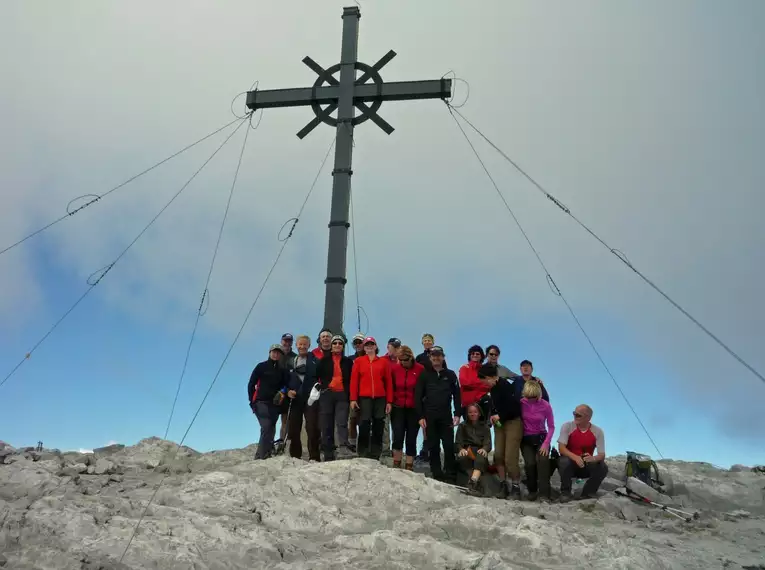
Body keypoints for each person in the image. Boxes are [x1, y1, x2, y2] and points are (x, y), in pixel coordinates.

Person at [414, 346, 461, 482]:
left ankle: (451, 474)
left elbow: (457, 395)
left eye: (439, 355)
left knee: (448, 445)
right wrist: (420, 416)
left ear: (443, 357)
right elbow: (417, 396)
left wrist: (457, 413)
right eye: (433, 356)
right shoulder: (424, 374)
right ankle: (437, 474)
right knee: (433, 445)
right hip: (429, 416)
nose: (436, 358)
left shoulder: (450, 374)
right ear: (430, 358)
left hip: (446, 415)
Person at [480, 363, 523, 498]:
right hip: (500, 425)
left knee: (510, 457)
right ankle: (503, 484)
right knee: (498, 456)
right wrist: (493, 416)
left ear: (492, 377)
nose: (485, 384)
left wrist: (501, 415)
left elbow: (515, 407)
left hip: (513, 422)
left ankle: (516, 487)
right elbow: (494, 406)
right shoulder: (492, 390)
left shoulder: (506, 386)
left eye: (485, 380)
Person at [350, 337, 393, 460]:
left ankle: (375, 454)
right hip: (364, 398)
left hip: (380, 398)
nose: (369, 346)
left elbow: (388, 382)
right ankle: (362, 452)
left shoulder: (383, 362)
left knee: (378, 425)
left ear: (375, 346)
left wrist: (389, 401)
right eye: (367, 344)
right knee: (364, 424)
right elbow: (354, 381)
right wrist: (353, 399)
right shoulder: (359, 361)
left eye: (371, 344)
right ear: (364, 347)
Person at [557, 404, 608, 502]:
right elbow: (561, 448)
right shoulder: (567, 426)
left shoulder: (598, 431)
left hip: (585, 464)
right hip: (570, 463)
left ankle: (588, 493)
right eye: (574, 413)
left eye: (578, 415)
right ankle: (565, 493)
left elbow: (602, 455)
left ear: (588, 418)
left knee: (603, 467)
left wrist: (592, 458)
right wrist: (575, 457)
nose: (575, 416)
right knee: (564, 461)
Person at [247, 344, 289, 460]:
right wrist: (252, 401)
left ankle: (266, 452)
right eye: (274, 352)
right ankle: (261, 456)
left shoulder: (282, 370)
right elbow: (251, 384)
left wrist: (283, 392)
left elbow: (286, 385)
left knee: (270, 427)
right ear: (269, 353)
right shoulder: (261, 366)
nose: (276, 354)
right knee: (266, 426)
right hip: (260, 402)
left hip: (275, 404)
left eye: (278, 352)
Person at [316, 334, 354, 460]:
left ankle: (343, 448)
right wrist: (321, 389)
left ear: (343, 346)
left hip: (343, 395)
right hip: (327, 394)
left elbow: (353, 380)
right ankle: (328, 452)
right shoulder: (323, 361)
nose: (337, 345)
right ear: (331, 346)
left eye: (340, 343)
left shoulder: (348, 362)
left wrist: (351, 395)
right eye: (335, 343)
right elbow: (315, 377)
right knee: (327, 423)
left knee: (342, 422)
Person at [286, 335, 321, 461]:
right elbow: (286, 380)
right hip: (295, 399)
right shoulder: (291, 361)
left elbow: (321, 379)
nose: (302, 347)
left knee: (312, 427)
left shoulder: (315, 361)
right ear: (296, 345)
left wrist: (317, 391)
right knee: (294, 427)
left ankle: (314, 456)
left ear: (309, 345)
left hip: (310, 399)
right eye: (300, 344)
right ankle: (295, 455)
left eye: (304, 344)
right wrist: (288, 391)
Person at [414, 333, 447, 464]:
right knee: (426, 426)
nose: (427, 342)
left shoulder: (439, 355)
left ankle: (435, 449)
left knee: (438, 425)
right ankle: (425, 450)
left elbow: (445, 371)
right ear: (422, 343)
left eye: (429, 340)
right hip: (424, 393)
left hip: (437, 394)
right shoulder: (419, 357)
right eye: (425, 341)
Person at [520, 380, 555, 501]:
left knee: (543, 461)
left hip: (541, 438)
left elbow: (551, 426)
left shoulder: (545, 405)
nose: (531, 399)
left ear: (538, 394)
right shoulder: (521, 403)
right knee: (530, 464)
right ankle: (532, 491)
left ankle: (545, 494)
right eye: (528, 397)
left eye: (534, 397)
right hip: (526, 439)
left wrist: (546, 444)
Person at [390, 344, 423, 470]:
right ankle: (396, 463)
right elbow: (391, 386)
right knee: (397, 435)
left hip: (414, 408)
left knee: (411, 437)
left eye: (405, 360)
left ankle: (409, 465)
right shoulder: (395, 369)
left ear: (411, 358)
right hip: (398, 407)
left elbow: (423, 390)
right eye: (401, 360)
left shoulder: (420, 369)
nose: (403, 363)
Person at [455, 403, 492, 495]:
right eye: (470, 412)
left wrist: (484, 449)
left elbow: (488, 443)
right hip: (468, 450)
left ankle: (472, 483)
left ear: (479, 413)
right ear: (467, 414)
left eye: (475, 412)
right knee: (463, 457)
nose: (473, 414)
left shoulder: (485, 427)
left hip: (479, 450)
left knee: (481, 455)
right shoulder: (462, 426)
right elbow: (458, 442)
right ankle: (475, 484)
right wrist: (461, 449)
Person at [380, 337, 402, 456]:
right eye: (393, 346)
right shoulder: (382, 360)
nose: (396, 349)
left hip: (399, 398)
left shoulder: (403, 361)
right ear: (388, 347)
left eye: (398, 347)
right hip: (385, 397)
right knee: (385, 424)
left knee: (397, 426)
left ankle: (396, 449)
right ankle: (385, 449)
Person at [346, 332, 366, 452]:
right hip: (353, 394)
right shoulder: (350, 360)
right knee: (352, 420)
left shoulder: (370, 358)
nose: (358, 344)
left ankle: (364, 445)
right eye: (356, 343)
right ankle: (353, 444)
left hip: (366, 394)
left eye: (360, 342)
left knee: (365, 421)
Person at [277, 333, 298, 443]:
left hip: (288, 391)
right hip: (276, 390)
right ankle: (270, 443)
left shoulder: (295, 357)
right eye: (285, 340)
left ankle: (283, 440)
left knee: (285, 418)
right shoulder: (276, 355)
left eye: (289, 341)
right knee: (272, 419)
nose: (287, 343)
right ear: (281, 341)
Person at [459, 345, 489, 418]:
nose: (475, 355)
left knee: (483, 427)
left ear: (481, 356)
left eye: (477, 354)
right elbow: (464, 382)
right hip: (467, 405)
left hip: (482, 404)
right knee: (469, 428)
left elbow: (488, 386)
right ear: (470, 356)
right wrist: (481, 383)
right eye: (473, 354)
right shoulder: (464, 368)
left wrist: (472, 383)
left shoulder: (485, 370)